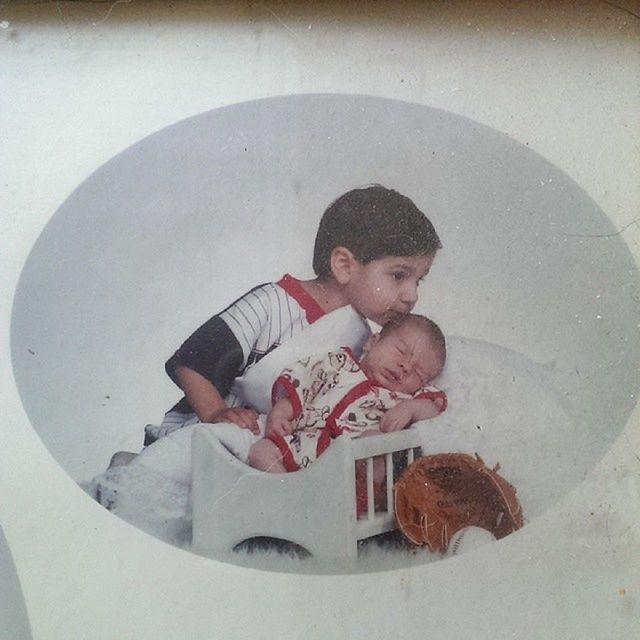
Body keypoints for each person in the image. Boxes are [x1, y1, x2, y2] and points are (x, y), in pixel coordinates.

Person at [140, 184, 442, 451]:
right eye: (399, 275)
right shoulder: (272, 304)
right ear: (344, 265)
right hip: (199, 439)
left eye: (419, 281)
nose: (411, 295)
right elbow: (192, 363)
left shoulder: (367, 344)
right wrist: (217, 415)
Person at [249, 314, 447, 473]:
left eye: (418, 373)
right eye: (401, 351)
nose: (405, 367)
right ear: (372, 342)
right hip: (303, 446)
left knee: (376, 444)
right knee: (261, 451)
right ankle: (287, 494)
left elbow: (433, 408)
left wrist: (410, 409)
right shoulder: (338, 363)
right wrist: (281, 413)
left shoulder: (407, 398)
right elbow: (304, 386)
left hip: (352, 468)